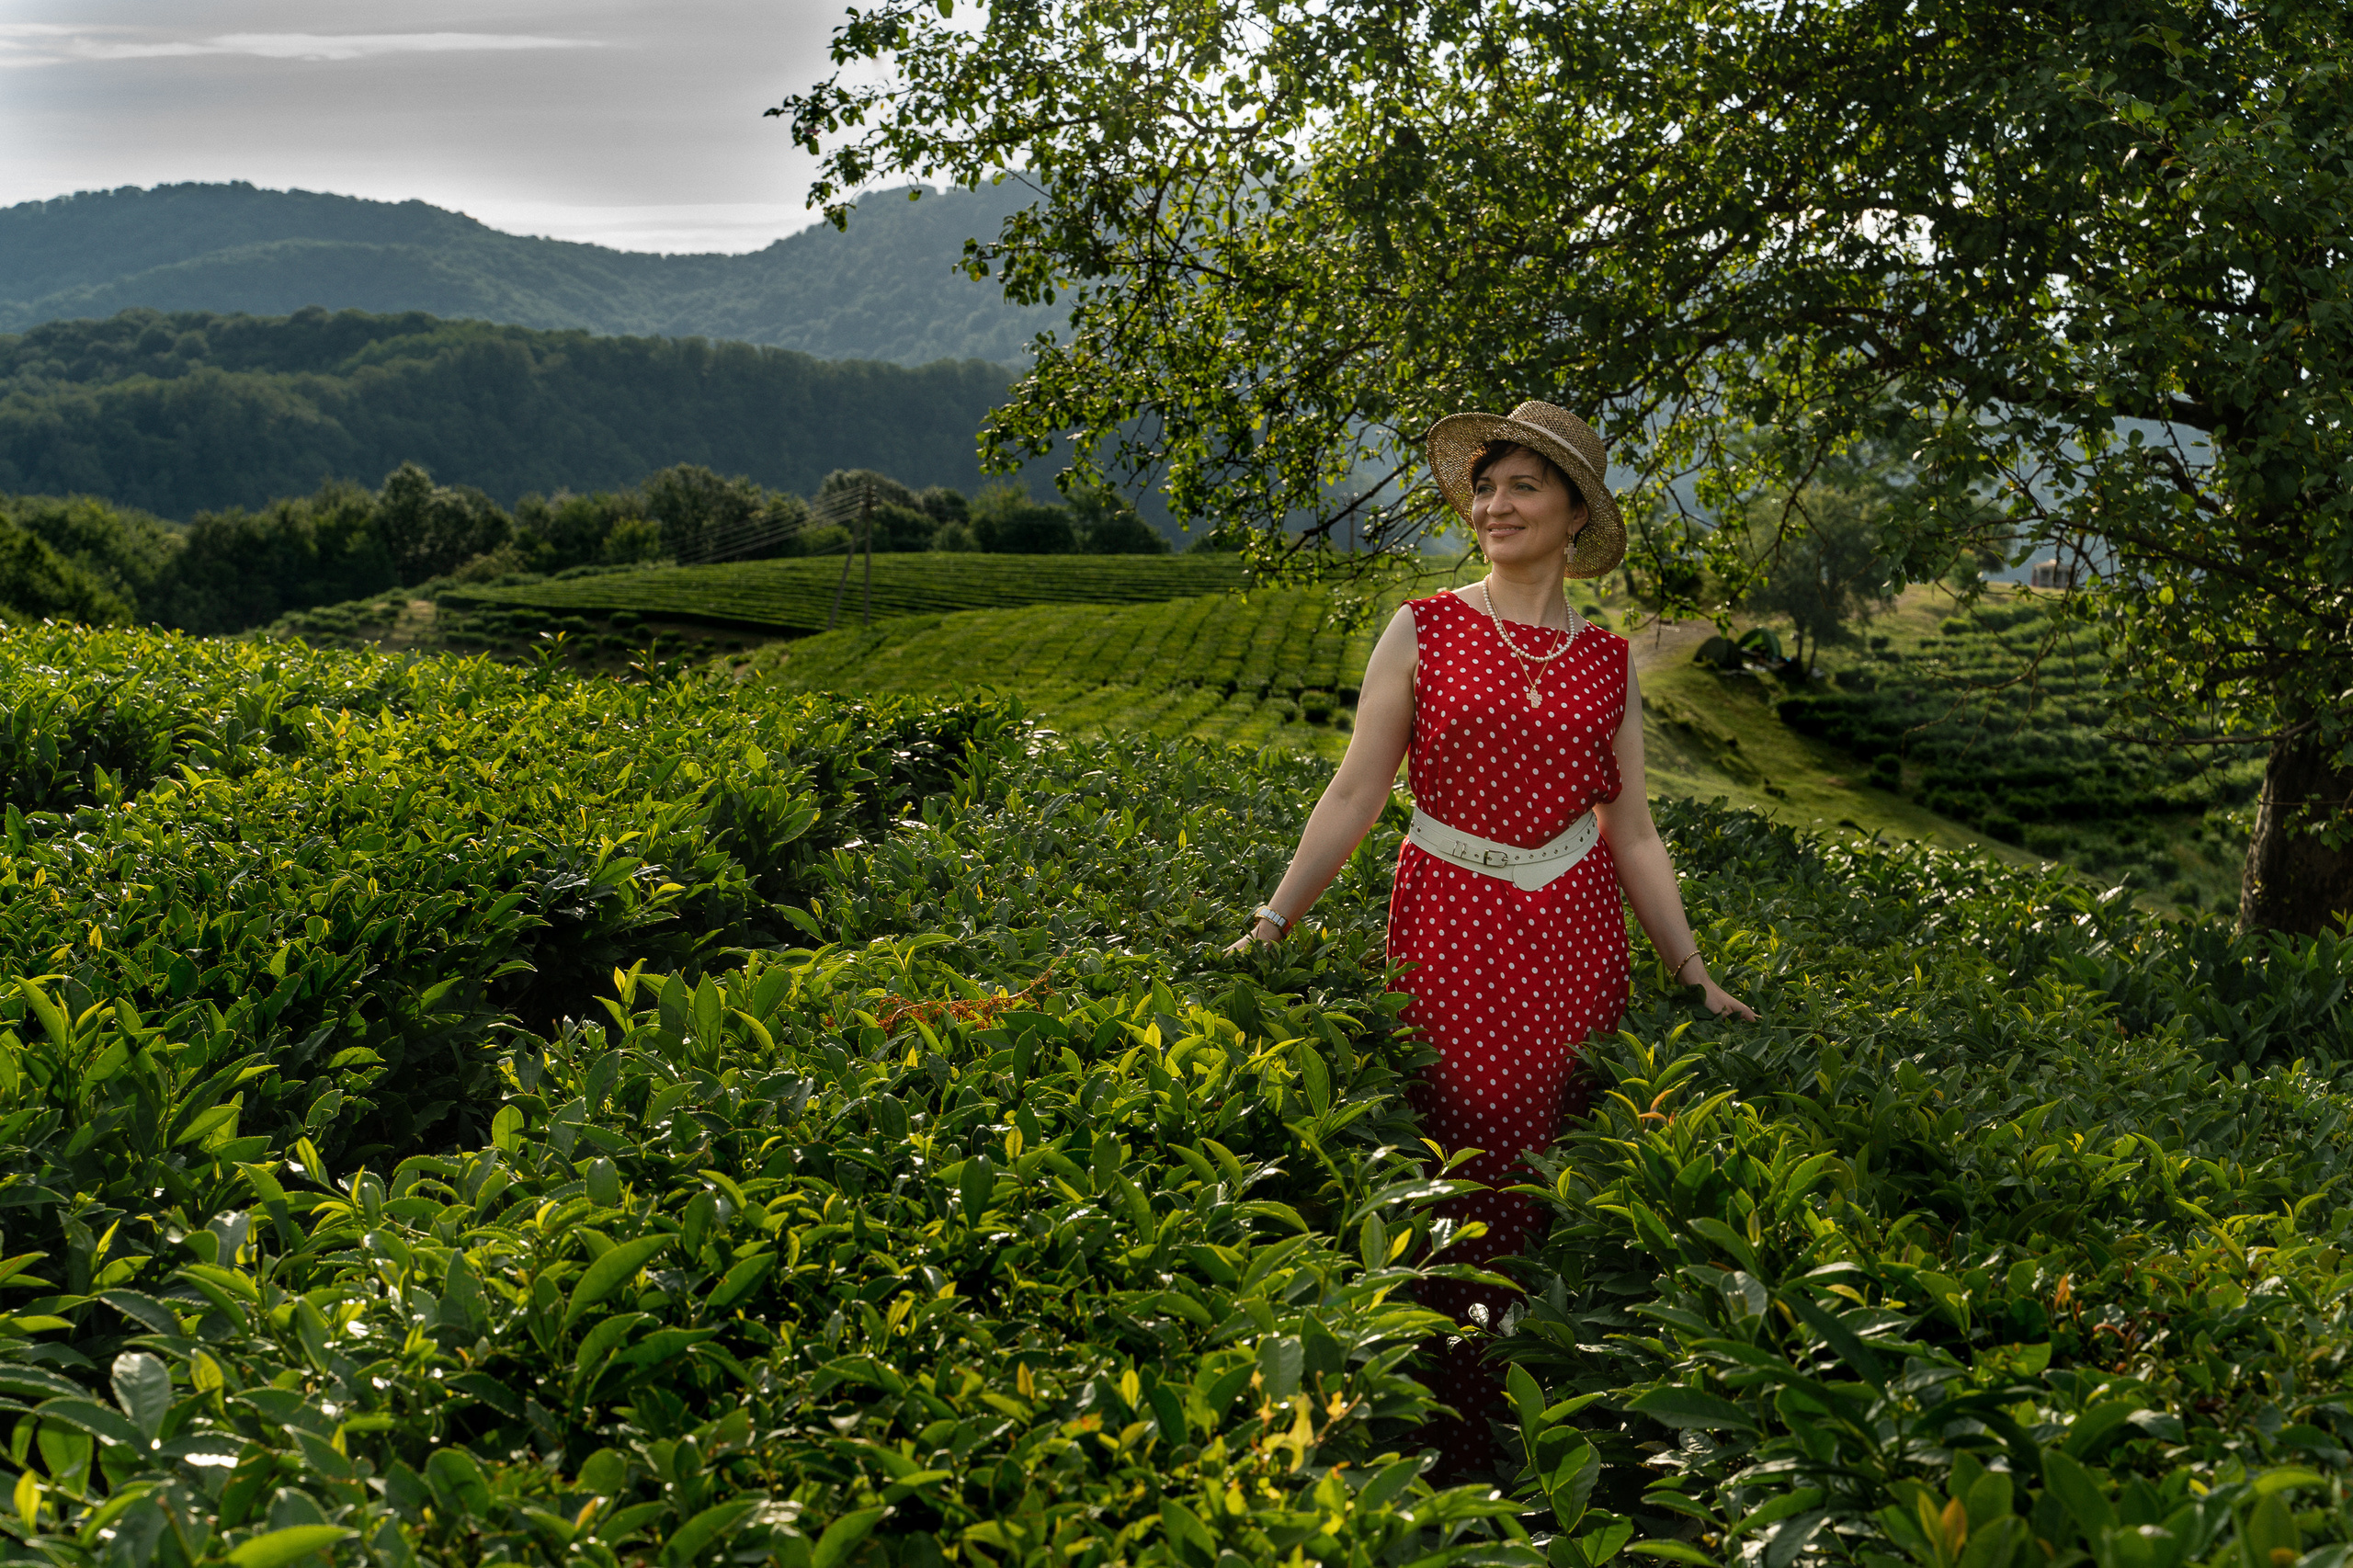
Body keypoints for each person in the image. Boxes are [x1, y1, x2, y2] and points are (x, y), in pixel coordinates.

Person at [1235, 400, 1755, 1475]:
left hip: (1570, 934)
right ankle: (1429, 1416)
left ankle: (1518, 1423)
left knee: (1543, 1171)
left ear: (1574, 513)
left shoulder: (1606, 660)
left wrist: (1692, 971)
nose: (1494, 504)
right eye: (1485, 485)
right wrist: (1272, 920)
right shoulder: (1423, 623)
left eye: (1523, 486)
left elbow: (1637, 831)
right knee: (1456, 1152)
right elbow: (1354, 789)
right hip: (1449, 917)